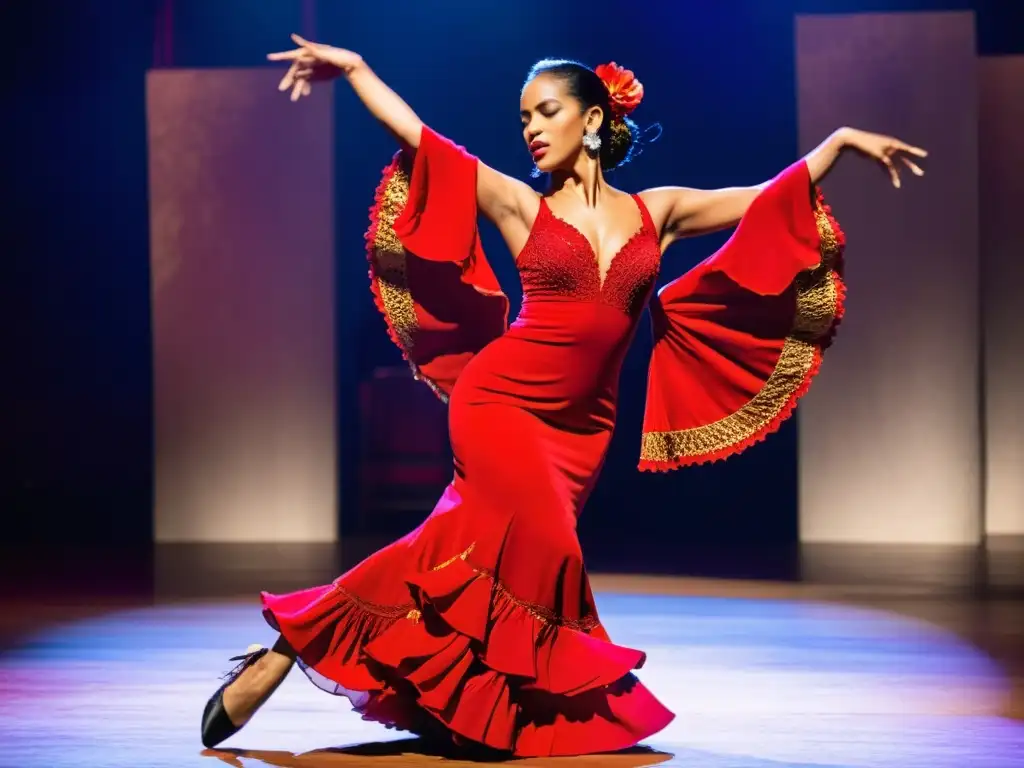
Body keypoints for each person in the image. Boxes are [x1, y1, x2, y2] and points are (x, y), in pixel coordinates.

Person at [201, 34, 926, 758]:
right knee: (546, 549)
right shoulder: (521, 206)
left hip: (582, 432)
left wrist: (835, 143)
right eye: (523, 119)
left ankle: (296, 645)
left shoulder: (659, 211)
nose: (531, 130)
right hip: (500, 405)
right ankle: (359, 658)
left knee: (455, 548)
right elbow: (418, 137)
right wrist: (357, 69)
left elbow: (765, 201)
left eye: (546, 112)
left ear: (592, 121)